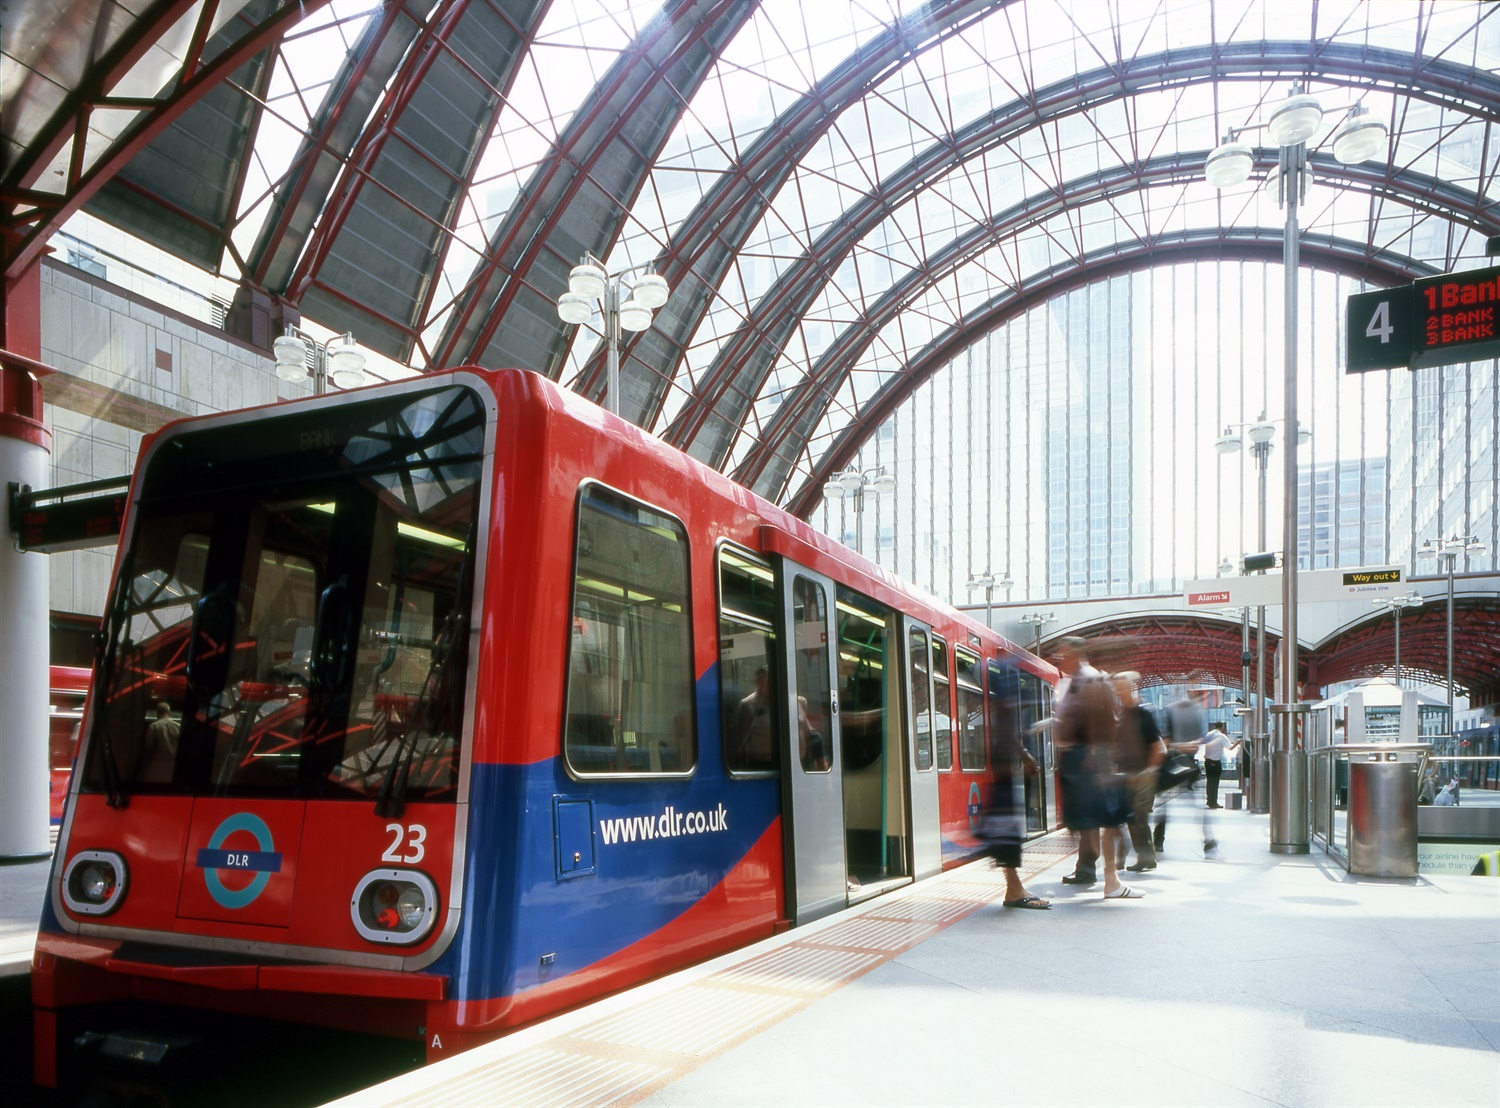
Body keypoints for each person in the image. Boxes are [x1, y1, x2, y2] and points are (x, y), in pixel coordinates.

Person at [1053, 638, 1140, 899]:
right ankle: (1095, 872)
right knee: (1092, 820)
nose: (1061, 658)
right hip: (1081, 759)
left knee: (1104, 819)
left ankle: (1110, 878)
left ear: (1077, 654)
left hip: (1087, 760)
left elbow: (1104, 722)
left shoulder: (1090, 680)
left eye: (1065, 653)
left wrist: (1094, 755)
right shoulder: (1075, 681)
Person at [984, 661, 1049, 909]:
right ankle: (1014, 890)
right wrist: (1026, 756)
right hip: (1003, 778)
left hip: (1002, 777)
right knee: (1007, 835)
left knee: (1006, 834)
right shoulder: (1006, 705)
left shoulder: (1001, 705)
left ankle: (1014, 887)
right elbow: (1009, 735)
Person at [1110, 672, 1164, 873]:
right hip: (1125, 774)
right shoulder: (1120, 715)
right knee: (1129, 817)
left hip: (1143, 774)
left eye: (1122, 687)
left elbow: (1156, 746)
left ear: (1130, 688)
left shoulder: (1143, 715)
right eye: (1116, 688)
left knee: (1138, 817)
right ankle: (1141, 855)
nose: (1119, 691)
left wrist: (1149, 771)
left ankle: (1146, 857)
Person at [734, 666, 777, 770]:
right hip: (759, 764)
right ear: (758, 682)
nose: (767, 684)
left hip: (784, 761)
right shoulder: (747, 704)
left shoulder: (783, 700)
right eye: (763, 680)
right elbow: (741, 739)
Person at [1201, 725, 1240, 809]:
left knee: (1209, 782)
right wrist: (1238, 742)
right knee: (1215, 783)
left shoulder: (1209, 734)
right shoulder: (1221, 736)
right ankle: (1213, 802)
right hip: (1215, 762)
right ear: (1222, 727)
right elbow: (1230, 748)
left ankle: (1209, 800)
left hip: (1207, 762)